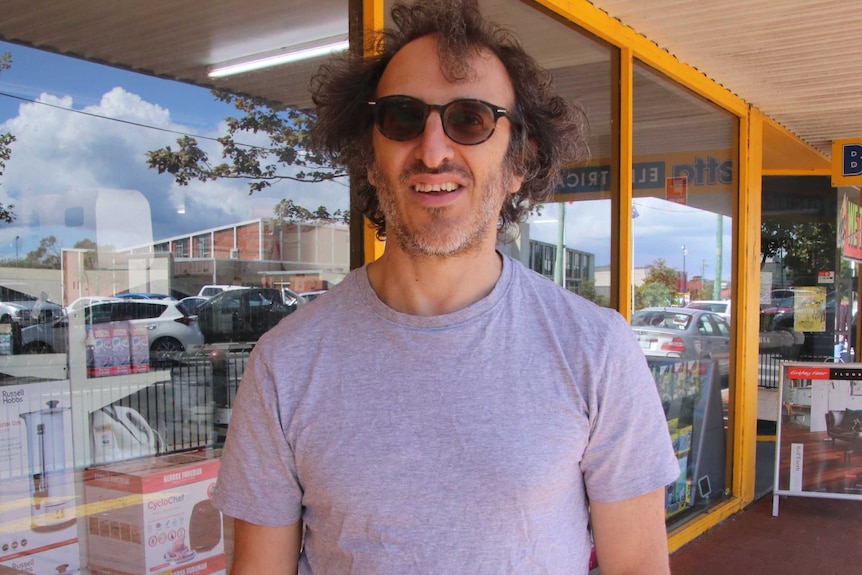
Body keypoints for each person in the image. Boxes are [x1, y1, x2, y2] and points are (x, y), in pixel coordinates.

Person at [212, 1, 680, 573]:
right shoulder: (285, 363)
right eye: (403, 117)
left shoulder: (596, 348)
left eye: (470, 119)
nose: (432, 151)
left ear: (518, 164)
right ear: (370, 156)